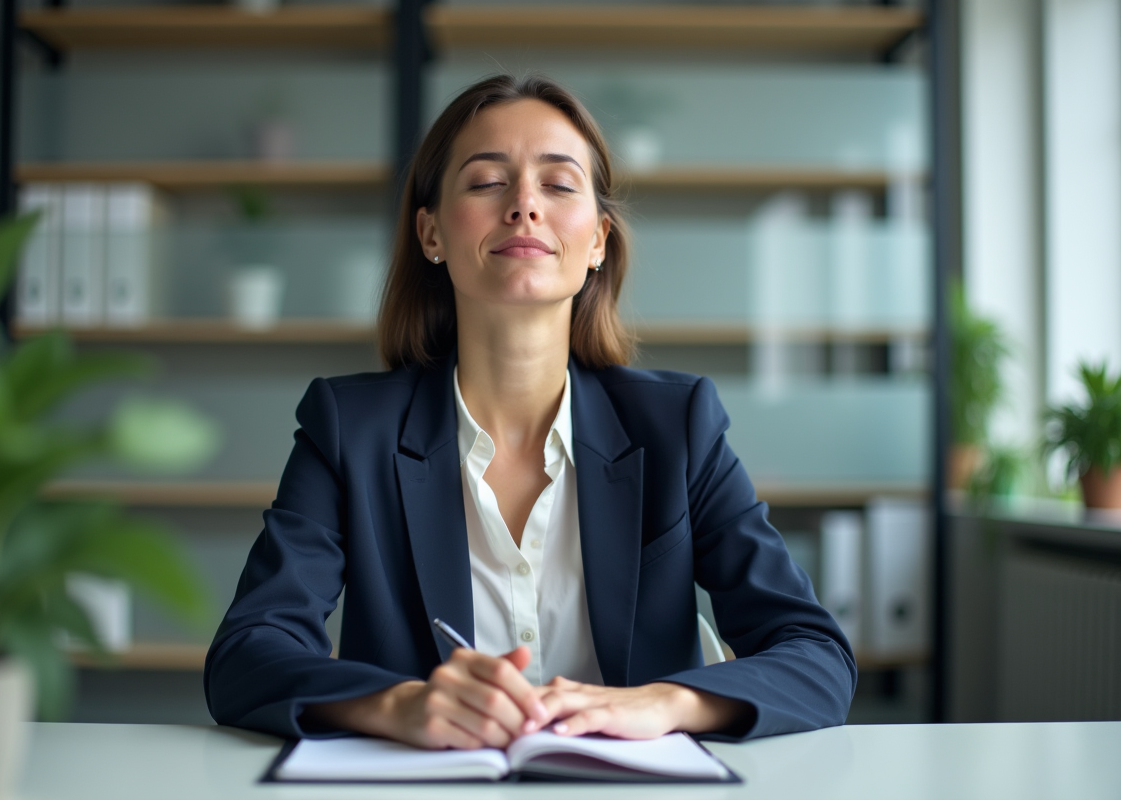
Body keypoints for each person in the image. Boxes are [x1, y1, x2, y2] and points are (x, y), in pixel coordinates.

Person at [204, 74, 856, 749]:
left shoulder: (677, 426)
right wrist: (398, 704)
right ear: (431, 232)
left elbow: (817, 655)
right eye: (487, 182)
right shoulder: (349, 430)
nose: (523, 205)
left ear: (598, 240)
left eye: (559, 184)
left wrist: (664, 703)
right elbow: (246, 654)